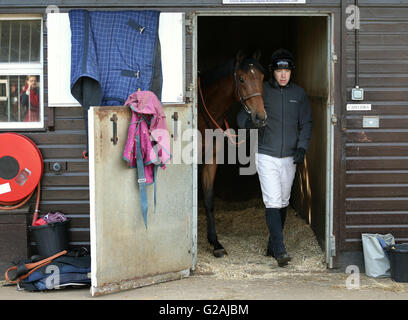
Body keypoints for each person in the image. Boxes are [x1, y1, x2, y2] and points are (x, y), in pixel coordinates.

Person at [237, 48, 313, 267]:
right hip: (266, 154)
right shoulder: (263, 91)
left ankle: (272, 244)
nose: (283, 74)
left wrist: (302, 147)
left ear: (291, 72)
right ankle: (280, 251)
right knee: (272, 200)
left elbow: (306, 123)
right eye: (279, 70)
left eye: (287, 70)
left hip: (290, 156)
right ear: (272, 72)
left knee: (283, 201)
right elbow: (242, 115)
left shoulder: (298, 95)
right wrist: (248, 124)